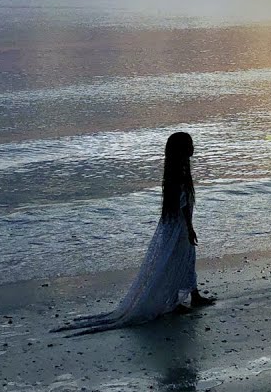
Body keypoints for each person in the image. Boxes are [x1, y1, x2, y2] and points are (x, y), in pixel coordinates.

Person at [53, 132, 213, 335]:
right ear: (181, 149)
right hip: (179, 226)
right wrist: (190, 228)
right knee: (179, 259)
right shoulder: (180, 173)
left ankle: (193, 296)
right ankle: (180, 300)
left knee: (184, 258)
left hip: (174, 225)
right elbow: (183, 205)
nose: (193, 148)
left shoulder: (175, 171)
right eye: (190, 144)